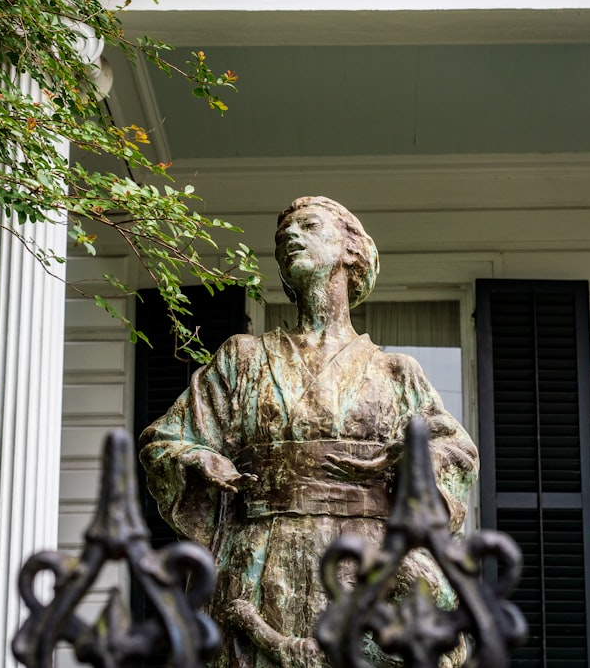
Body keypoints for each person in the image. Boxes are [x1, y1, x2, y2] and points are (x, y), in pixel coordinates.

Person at [139, 196, 479, 668]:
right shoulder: (243, 359)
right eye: (282, 237)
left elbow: (456, 450)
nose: (290, 239)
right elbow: (165, 440)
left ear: (350, 250)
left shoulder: (396, 371)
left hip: (364, 560)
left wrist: (410, 455)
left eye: (308, 226)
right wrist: (200, 459)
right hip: (260, 556)